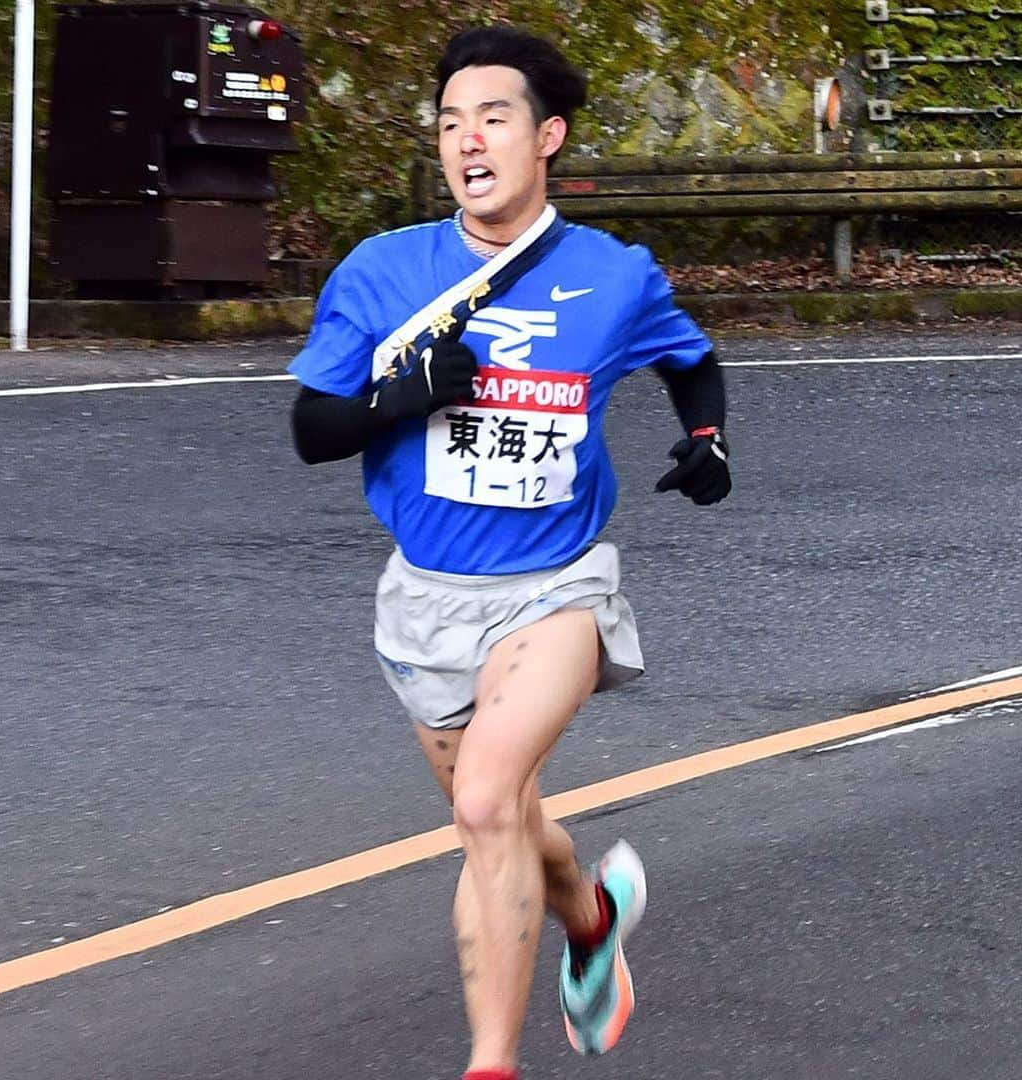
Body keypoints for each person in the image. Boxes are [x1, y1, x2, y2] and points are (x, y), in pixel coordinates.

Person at [288, 25, 731, 1080]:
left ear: (547, 138)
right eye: (450, 122)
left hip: (557, 587)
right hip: (427, 600)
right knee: (506, 820)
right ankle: (590, 917)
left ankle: (491, 1063)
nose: (468, 139)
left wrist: (709, 439)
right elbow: (312, 429)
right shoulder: (383, 270)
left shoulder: (611, 276)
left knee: (488, 800)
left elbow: (692, 358)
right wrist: (405, 397)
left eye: (493, 116)